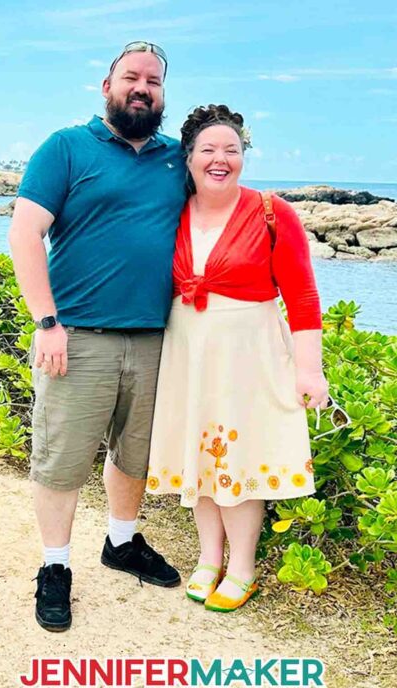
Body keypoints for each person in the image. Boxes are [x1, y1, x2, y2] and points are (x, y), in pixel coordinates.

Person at [8, 41, 186, 633]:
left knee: (134, 455)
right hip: (77, 336)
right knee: (61, 461)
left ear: (162, 93)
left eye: (153, 81)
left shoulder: (175, 159)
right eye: (131, 77)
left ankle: (121, 541)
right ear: (106, 85)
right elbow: (25, 233)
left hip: (157, 338)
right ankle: (55, 567)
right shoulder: (66, 147)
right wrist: (47, 322)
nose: (142, 87)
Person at [145, 104, 328, 612]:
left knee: (243, 461)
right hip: (189, 354)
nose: (220, 159)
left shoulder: (272, 211)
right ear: (188, 158)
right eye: (208, 150)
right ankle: (208, 560)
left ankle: (242, 566)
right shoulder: (174, 211)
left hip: (252, 356)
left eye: (232, 149)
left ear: (244, 155)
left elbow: (303, 296)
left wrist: (309, 369)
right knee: (200, 460)